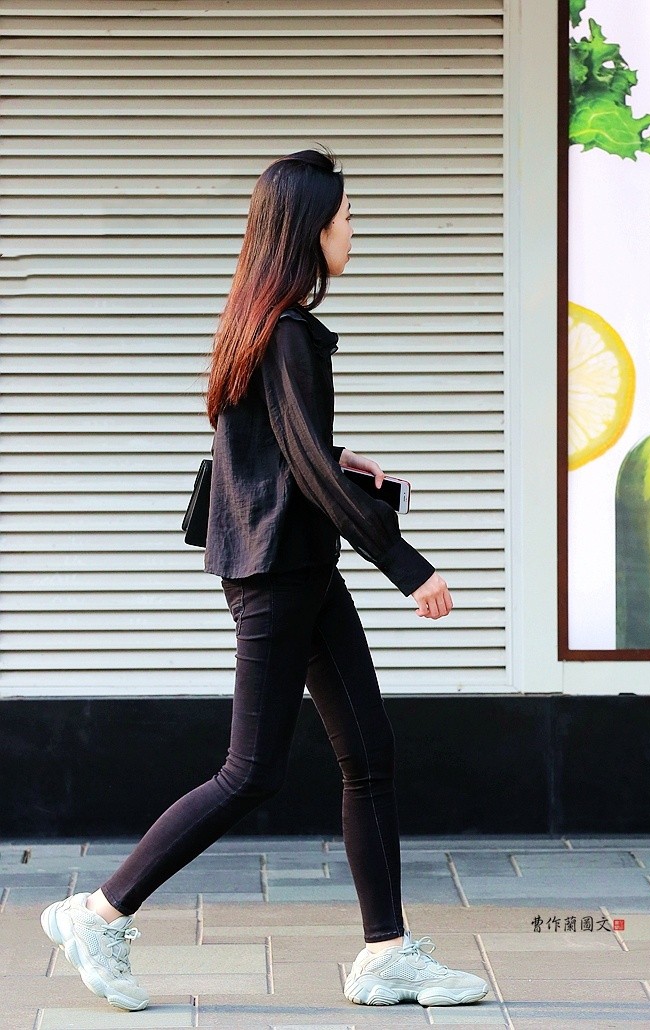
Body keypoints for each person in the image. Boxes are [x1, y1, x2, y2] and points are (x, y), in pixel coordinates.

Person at [40, 148, 489, 1011]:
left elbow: (282, 446)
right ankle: (97, 913)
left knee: (370, 754)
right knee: (250, 771)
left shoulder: (267, 322)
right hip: (278, 576)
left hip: (299, 567)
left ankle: (386, 954)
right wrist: (410, 566)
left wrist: (335, 453)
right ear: (310, 228)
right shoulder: (284, 332)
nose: (355, 232)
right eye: (348, 217)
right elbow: (305, 473)